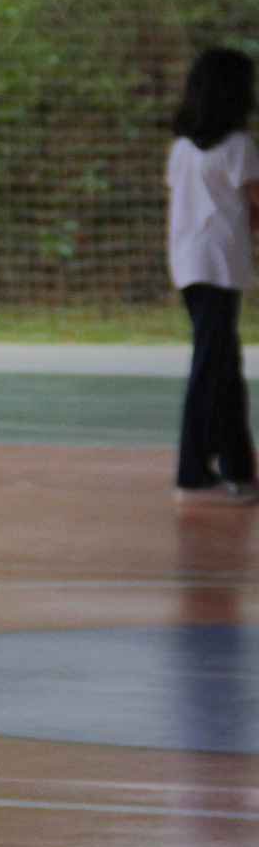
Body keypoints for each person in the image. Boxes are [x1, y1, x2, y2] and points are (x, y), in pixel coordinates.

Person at [167, 47, 259, 506]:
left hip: (188, 263)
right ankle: (191, 472)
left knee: (221, 363)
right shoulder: (239, 147)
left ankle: (238, 468)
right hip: (219, 263)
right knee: (212, 366)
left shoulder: (181, 148)